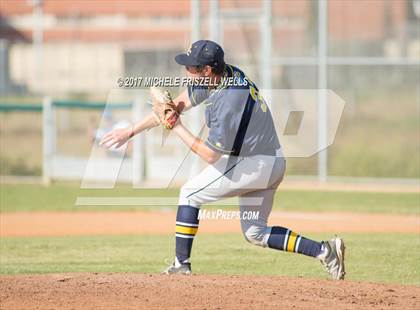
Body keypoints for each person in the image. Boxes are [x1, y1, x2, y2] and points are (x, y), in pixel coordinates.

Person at [100, 40, 345, 280]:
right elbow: (174, 107)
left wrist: (175, 127)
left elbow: (210, 155)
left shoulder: (228, 101)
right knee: (255, 233)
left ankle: (181, 265)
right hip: (271, 162)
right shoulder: (223, 75)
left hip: (255, 163)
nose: (187, 71)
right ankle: (325, 251)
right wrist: (131, 131)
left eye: (191, 67)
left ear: (207, 70)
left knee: (189, 193)